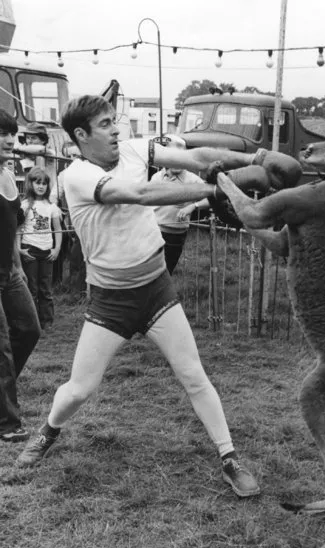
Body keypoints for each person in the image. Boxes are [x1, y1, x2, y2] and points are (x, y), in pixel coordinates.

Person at [17, 94, 294, 497]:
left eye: (115, 120)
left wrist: (257, 157)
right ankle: (48, 431)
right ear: (81, 135)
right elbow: (142, 195)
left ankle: (229, 457)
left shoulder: (133, 149)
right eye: (106, 124)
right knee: (80, 388)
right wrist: (218, 192)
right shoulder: (75, 176)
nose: (116, 129)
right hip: (111, 301)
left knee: (193, 374)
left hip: (156, 288)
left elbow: (197, 157)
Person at [0, 109, 41, 443]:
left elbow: (12, 229)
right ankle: (7, 424)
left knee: (28, 329)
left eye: (12, 133)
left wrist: (17, 268)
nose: (10, 139)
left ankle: (4, 386)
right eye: (2, 133)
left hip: (9, 272)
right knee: (0, 348)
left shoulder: (8, 174)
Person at [152, 135, 210, 274]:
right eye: (174, 158)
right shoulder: (157, 177)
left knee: (165, 272)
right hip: (152, 232)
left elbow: (212, 197)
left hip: (174, 236)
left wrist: (193, 206)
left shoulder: (192, 180)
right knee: (150, 273)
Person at [18, 167, 63, 331]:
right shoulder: (24, 206)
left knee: (46, 289)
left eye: (44, 183)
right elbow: (19, 229)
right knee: (32, 288)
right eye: (37, 183)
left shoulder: (52, 207)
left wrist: (56, 249)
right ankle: (33, 323)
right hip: (30, 249)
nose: (41, 186)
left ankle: (47, 322)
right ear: (31, 184)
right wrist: (20, 250)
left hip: (46, 251)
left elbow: (58, 230)